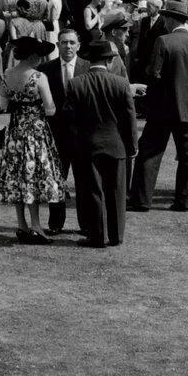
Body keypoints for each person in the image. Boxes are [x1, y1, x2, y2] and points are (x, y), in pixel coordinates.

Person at [128, 0, 188, 213]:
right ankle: (183, 201)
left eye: (165, 17)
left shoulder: (164, 41)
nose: (163, 21)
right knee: (187, 157)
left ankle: (141, 200)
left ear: (170, 19)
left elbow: (153, 74)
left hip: (162, 108)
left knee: (149, 153)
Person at [61, 36, 138, 248]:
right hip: (117, 146)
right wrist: (132, 147)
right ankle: (116, 235)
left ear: (89, 60)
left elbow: (70, 120)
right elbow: (129, 120)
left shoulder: (76, 84)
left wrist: (77, 144)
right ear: (109, 61)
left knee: (94, 192)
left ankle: (98, 235)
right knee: (117, 192)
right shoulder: (121, 84)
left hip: (88, 146)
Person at [0, 35, 62, 243]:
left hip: (15, 132)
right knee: (32, 178)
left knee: (16, 177)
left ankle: (22, 225)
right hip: (35, 132)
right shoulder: (38, 77)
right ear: (33, 55)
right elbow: (50, 109)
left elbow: (1, 105)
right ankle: (36, 226)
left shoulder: (6, 74)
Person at [40, 29, 89, 236]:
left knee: (84, 182)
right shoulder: (45, 70)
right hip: (56, 136)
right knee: (56, 181)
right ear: (58, 45)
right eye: (63, 43)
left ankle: (86, 224)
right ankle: (55, 223)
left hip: (83, 136)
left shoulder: (88, 68)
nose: (68, 46)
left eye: (71, 42)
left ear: (78, 45)